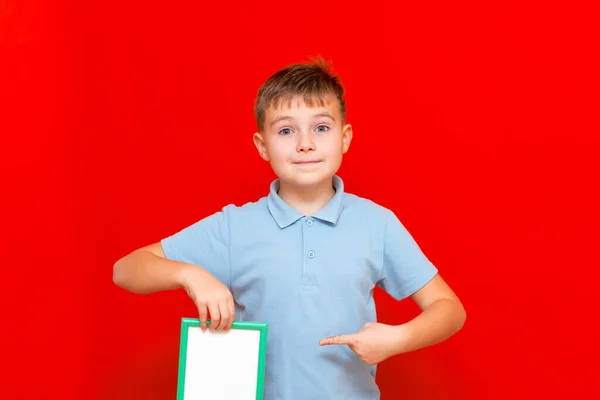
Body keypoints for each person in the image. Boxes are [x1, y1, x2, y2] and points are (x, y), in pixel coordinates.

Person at [113, 56, 466, 399]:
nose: (305, 143)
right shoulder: (236, 227)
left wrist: (398, 339)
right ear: (262, 146)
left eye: (321, 128)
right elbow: (125, 270)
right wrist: (190, 274)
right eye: (286, 130)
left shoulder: (377, 223)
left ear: (344, 138)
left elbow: (449, 308)